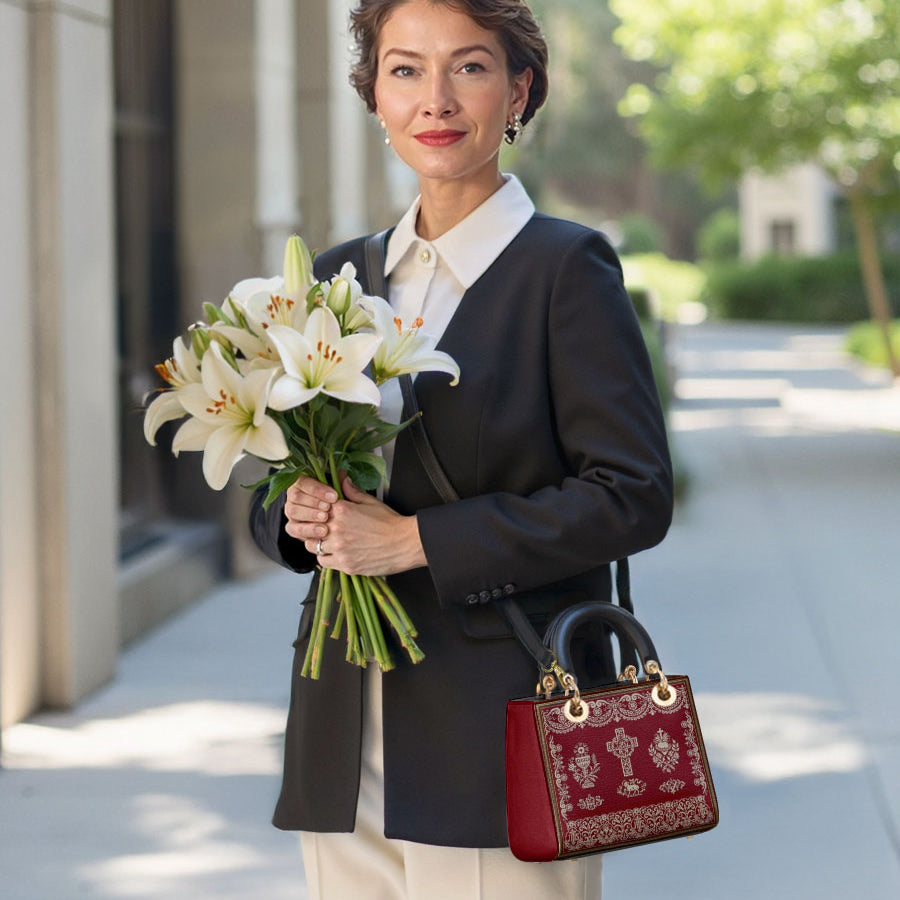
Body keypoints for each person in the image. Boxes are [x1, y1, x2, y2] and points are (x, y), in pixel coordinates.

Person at [249, 1, 673, 897]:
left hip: (499, 727)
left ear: (519, 90)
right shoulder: (336, 277)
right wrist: (298, 516)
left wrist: (416, 543)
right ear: (374, 97)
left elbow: (632, 494)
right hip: (341, 726)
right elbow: (277, 477)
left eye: (469, 67)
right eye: (405, 70)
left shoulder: (566, 269)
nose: (435, 98)